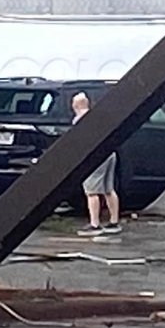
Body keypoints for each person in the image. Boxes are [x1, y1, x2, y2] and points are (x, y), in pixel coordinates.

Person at [71, 92, 121, 237]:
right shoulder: (99, 117)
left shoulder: (79, 120)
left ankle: (95, 224)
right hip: (110, 154)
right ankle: (114, 222)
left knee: (91, 191)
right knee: (108, 189)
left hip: (94, 157)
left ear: (75, 105)